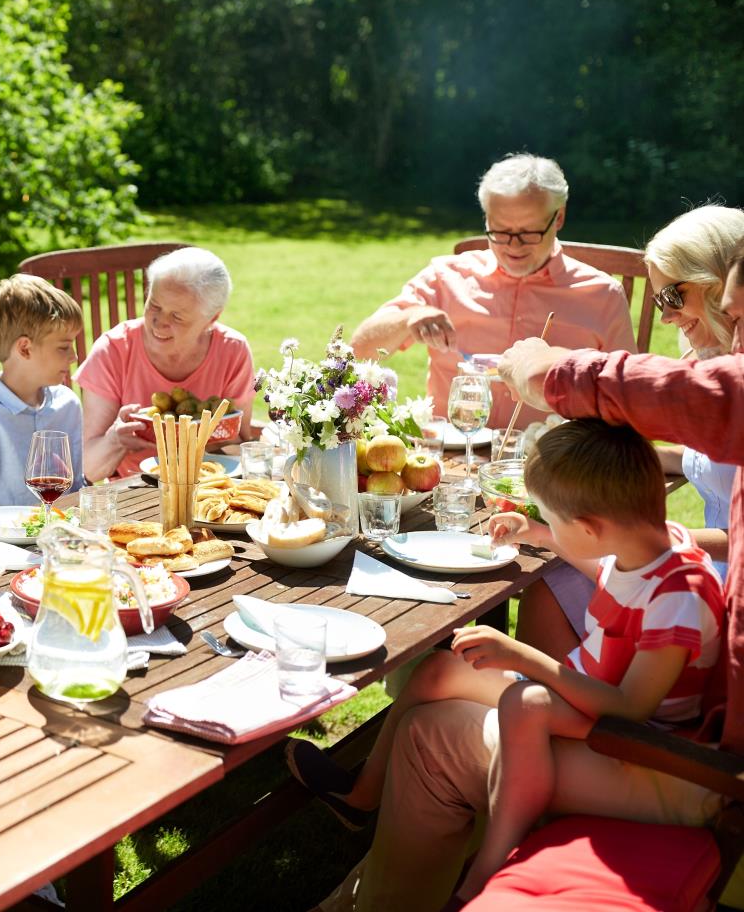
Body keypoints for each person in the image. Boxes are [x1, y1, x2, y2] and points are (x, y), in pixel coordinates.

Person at [300, 421, 728, 912]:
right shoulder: (649, 543)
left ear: (590, 528)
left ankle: (490, 863)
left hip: (636, 733)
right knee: (437, 672)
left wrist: (524, 657)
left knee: (525, 704)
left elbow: (630, 708)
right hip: (592, 690)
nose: (553, 526)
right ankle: (362, 794)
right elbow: (604, 568)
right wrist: (539, 532)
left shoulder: (678, 596)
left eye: (554, 516)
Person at [516, 204, 742, 659]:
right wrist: (652, 453)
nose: (665, 317)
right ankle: (564, 713)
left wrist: (650, 542)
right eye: (659, 302)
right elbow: (714, 459)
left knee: (558, 572)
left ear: (720, 281)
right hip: (698, 569)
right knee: (548, 588)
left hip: (717, 591)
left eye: (672, 298)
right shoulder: (715, 364)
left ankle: (585, 711)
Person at [350, 153, 635, 428]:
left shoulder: (602, 295)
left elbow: (627, 400)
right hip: (453, 456)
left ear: (558, 218)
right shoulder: (447, 276)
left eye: (529, 233)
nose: (513, 246)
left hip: (553, 463)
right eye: (500, 232)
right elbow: (358, 352)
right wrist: (409, 317)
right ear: (486, 218)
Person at [75, 247, 255, 479]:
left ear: (212, 319)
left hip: (207, 487)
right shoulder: (114, 349)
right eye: (154, 305)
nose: (159, 323)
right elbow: (89, 469)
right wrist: (115, 440)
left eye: (177, 316)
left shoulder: (232, 350)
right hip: (133, 493)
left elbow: (240, 444)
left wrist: (210, 437)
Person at [0, 273, 85, 508]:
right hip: (3, 541)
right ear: (25, 349)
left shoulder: (68, 405)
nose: (74, 357)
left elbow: (75, 490)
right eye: (64, 347)